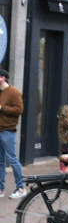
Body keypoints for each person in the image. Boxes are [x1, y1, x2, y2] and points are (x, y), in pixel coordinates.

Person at [0, 69, 26, 199]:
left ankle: (21, 188)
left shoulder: (13, 92)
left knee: (12, 159)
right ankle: (0, 189)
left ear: (3, 78)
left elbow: (19, 109)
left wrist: (2, 108)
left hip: (8, 131)